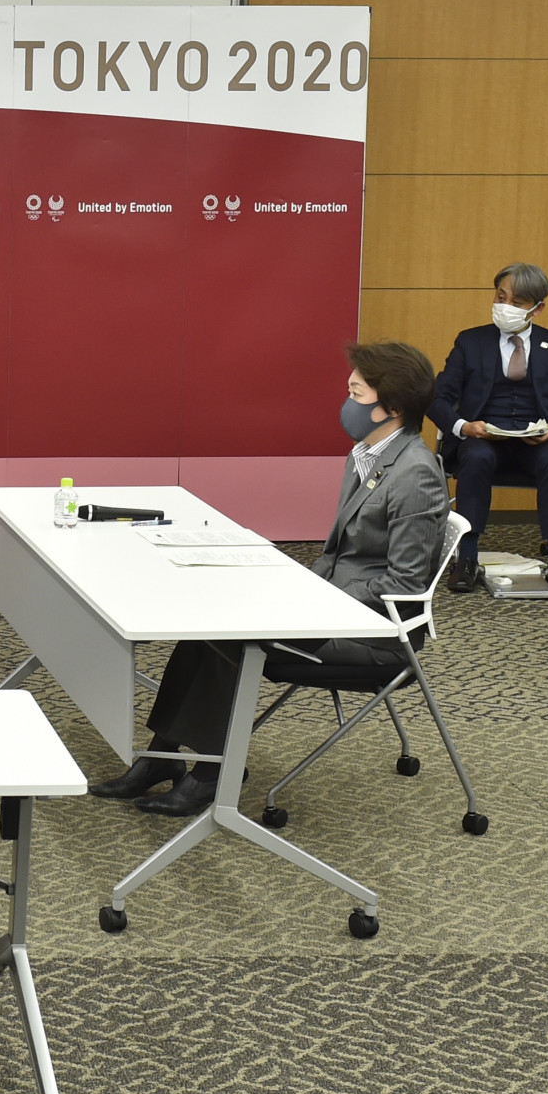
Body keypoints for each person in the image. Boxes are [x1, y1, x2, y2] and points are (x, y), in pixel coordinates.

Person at [90, 342, 449, 816]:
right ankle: (162, 758)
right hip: (329, 608)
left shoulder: (415, 474)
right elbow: (340, 553)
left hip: (376, 634)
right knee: (208, 623)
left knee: (236, 639)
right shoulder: (368, 456)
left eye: (356, 392)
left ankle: (214, 773)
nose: (347, 402)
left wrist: (315, 599)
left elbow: (402, 586)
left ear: (393, 408)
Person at [429, 262, 548, 599]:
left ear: (538, 308)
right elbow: (438, 398)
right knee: (476, 456)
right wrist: (463, 427)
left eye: (516, 302)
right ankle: (467, 557)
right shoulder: (471, 341)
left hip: (536, 443)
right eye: (501, 297)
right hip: (482, 438)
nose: (505, 306)